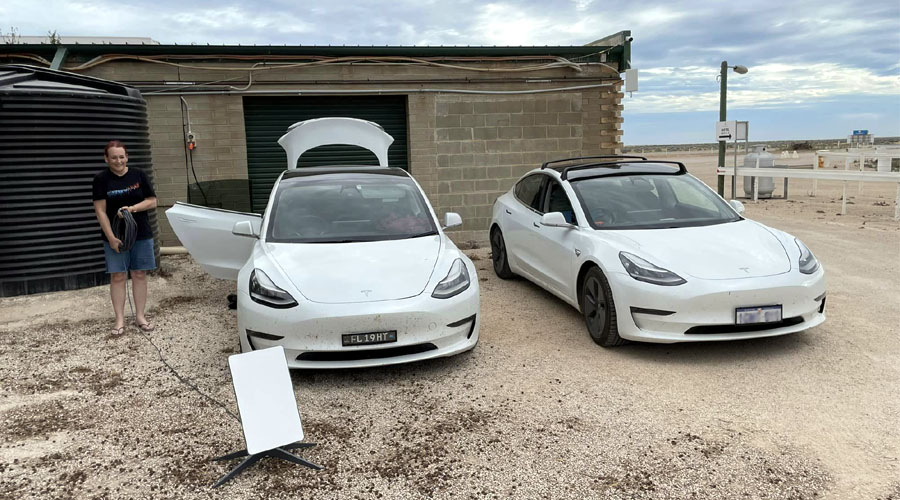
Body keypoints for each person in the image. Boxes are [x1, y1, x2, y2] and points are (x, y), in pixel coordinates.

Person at [92, 141, 158, 335]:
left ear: (126, 157)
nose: (118, 161)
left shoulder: (139, 175)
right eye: (113, 157)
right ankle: (119, 320)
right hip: (116, 235)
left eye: (121, 157)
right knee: (118, 276)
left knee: (139, 274)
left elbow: (153, 201)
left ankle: (140, 316)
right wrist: (111, 237)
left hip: (141, 233)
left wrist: (132, 209)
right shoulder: (101, 180)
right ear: (107, 159)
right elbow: (100, 211)